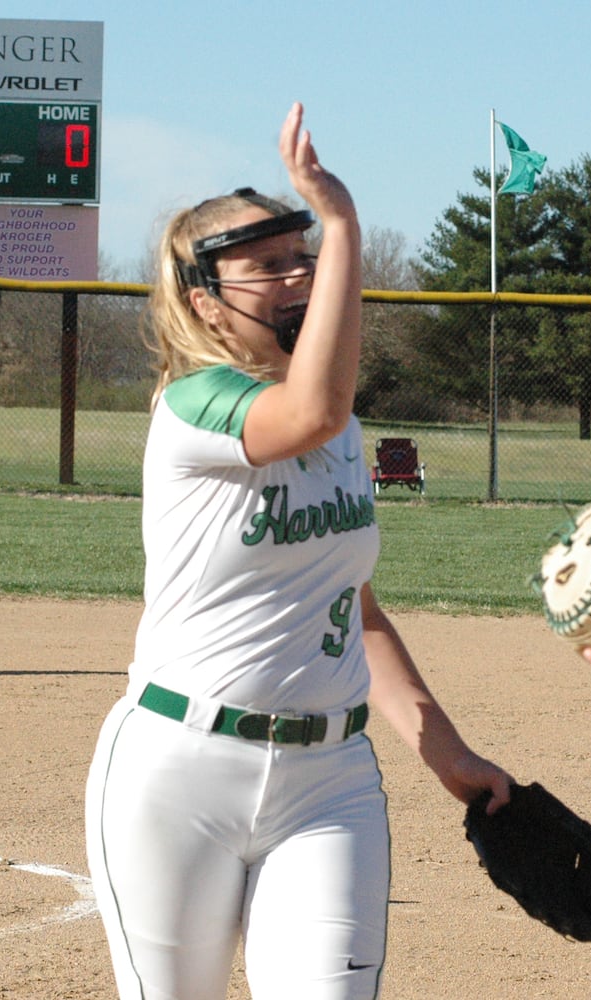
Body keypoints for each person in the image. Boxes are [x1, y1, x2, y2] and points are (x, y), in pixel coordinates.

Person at [84, 103, 512, 1000]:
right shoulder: (194, 406)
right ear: (205, 297)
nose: (298, 274)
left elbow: (352, 605)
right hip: (179, 774)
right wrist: (346, 220)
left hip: (330, 784)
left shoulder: (342, 427)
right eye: (269, 265)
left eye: (302, 257)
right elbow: (307, 407)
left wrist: (444, 748)